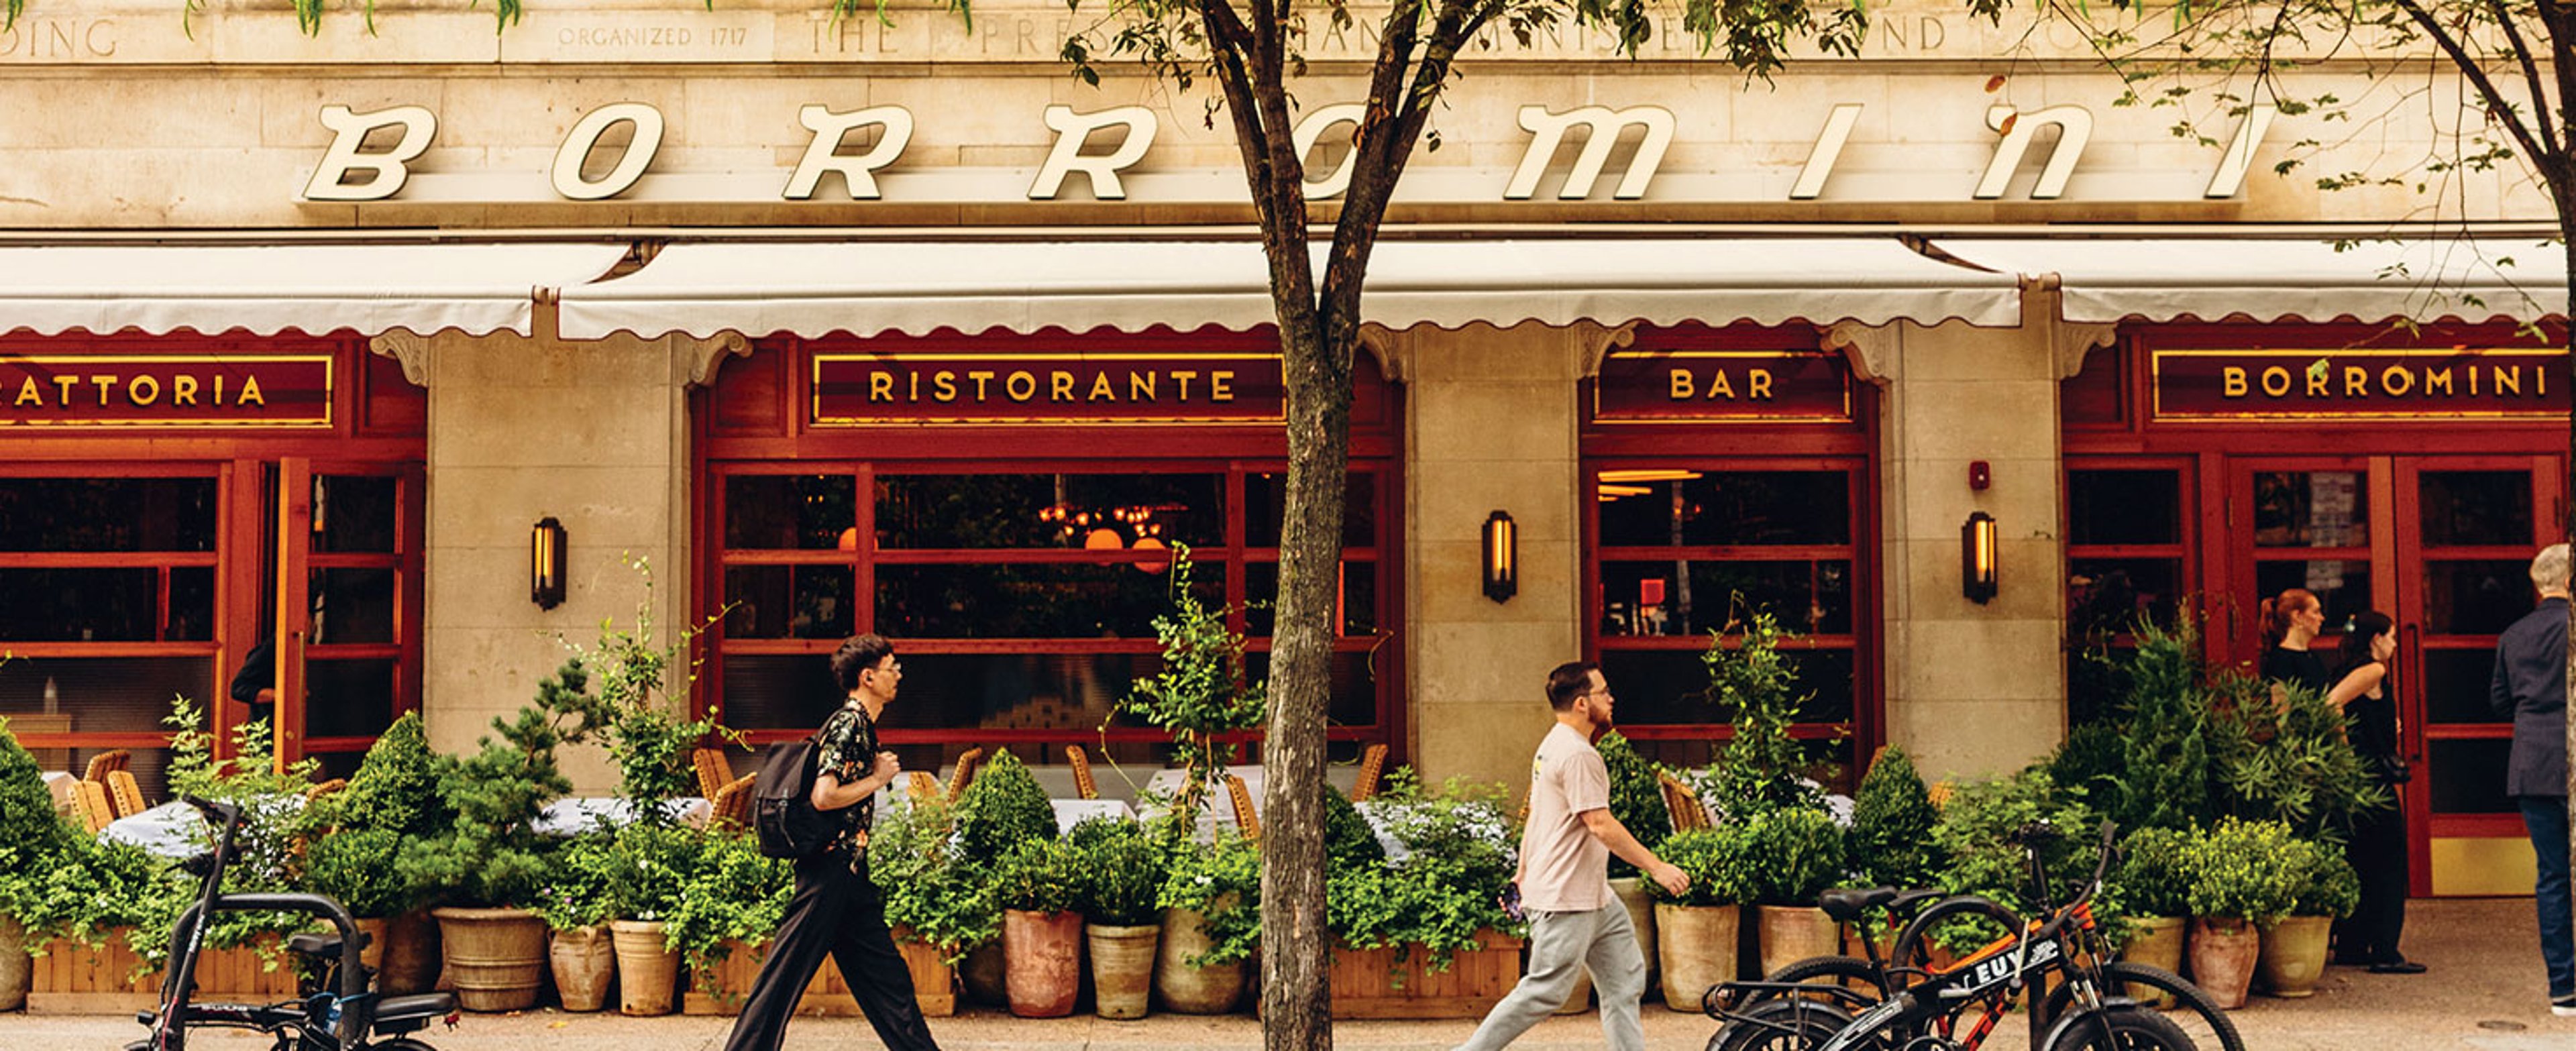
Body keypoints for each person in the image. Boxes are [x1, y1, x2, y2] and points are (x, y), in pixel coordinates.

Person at [1452, 661, 1690, 1051]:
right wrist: (1658, 867)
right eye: (1604, 692)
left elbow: (1537, 816)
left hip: (1594, 895)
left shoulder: (1553, 745)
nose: (1612, 699)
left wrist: (1522, 872)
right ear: (1582, 703)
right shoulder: (1578, 755)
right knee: (1544, 991)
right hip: (1567, 898)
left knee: (1625, 981)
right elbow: (1599, 823)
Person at [722, 633, 943, 1051]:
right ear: (868, 677)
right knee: (782, 977)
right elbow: (825, 796)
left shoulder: (861, 725)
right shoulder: (850, 723)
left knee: (888, 981)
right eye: (892, 667)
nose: (899, 675)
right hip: (827, 874)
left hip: (849, 877)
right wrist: (877, 779)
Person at [2491, 544, 2574, 1017]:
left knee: (2552, 877)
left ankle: (2563, 988)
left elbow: (2500, 701)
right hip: (2571, 756)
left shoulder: (2515, 634)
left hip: (2531, 763)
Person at [2324, 611, 2420, 974]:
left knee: (2361, 861)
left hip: (2357, 782)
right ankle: (2384, 950)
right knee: (2389, 863)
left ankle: (2352, 944)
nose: (2395, 644)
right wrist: (2347, 751)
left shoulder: (2350, 668)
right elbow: (2331, 705)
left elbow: (2353, 710)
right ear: (2376, 638)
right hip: (2370, 781)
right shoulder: (2373, 670)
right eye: (2392, 636)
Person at [2258, 587, 2332, 700]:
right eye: (2316, 612)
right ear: (2298, 616)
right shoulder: (2280, 661)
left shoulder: (2311, 656)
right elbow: (2281, 709)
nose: (2322, 618)